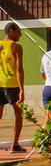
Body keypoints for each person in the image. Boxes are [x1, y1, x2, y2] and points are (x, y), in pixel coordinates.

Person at [0, 22, 26, 153]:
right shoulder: (16, 47)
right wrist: (22, 90)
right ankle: (15, 145)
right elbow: (19, 70)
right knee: (18, 115)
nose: (20, 34)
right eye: (18, 32)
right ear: (11, 31)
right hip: (12, 85)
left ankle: (15, 145)